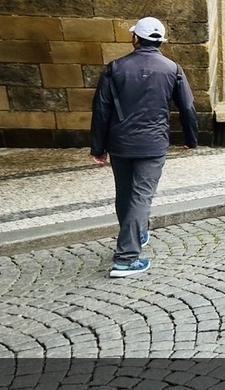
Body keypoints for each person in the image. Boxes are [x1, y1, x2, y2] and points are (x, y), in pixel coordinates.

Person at [90, 17, 198, 278]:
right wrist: (191, 138)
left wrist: (98, 147)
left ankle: (134, 236)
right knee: (141, 197)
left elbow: (101, 109)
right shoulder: (172, 69)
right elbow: (187, 107)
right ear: (159, 41)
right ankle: (127, 258)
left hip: (120, 143)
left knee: (125, 194)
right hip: (153, 144)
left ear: (136, 38)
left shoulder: (115, 67)